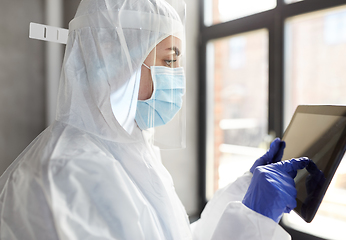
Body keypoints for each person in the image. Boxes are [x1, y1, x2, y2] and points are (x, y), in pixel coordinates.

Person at [0, 0, 310, 239]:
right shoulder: (69, 174)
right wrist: (252, 222)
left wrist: (245, 193)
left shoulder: (126, 149)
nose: (176, 76)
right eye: (168, 60)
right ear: (118, 61)